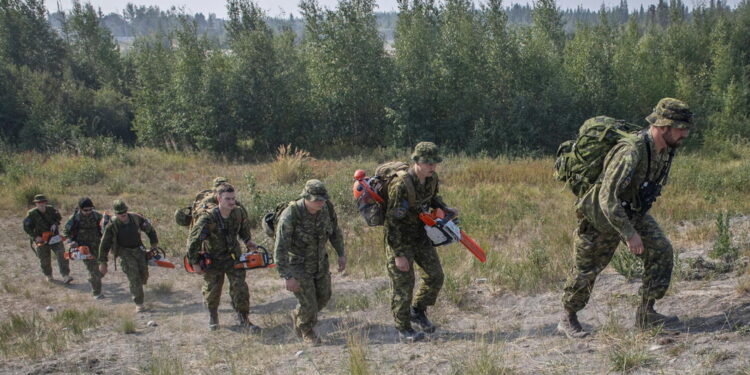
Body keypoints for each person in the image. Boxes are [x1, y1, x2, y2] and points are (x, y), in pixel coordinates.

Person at [558, 98, 693, 338]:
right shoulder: (631, 152)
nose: (685, 134)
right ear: (664, 127)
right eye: (681, 128)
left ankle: (646, 313)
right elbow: (606, 198)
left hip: (632, 211)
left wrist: (634, 224)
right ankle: (568, 318)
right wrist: (629, 234)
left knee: (661, 250)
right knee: (587, 269)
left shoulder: (664, 150)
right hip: (603, 216)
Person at [385, 142, 458, 343]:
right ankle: (403, 327)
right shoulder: (400, 185)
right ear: (416, 161)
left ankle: (418, 310)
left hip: (421, 235)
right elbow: (392, 222)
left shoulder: (432, 179)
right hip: (400, 239)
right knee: (404, 284)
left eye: (434, 162)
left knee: (435, 276)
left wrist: (445, 209)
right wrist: (399, 254)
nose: (431, 166)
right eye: (427, 163)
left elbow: (432, 199)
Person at [274, 179, 346, 345]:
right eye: (317, 200)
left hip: (320, 262)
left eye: (323, 199)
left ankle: (300, 315)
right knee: (309, 304)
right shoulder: (291, 215)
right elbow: (280, 248)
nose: (321, 202)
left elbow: (335, 231)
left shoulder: (327, 208)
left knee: (324, 296)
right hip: (298, 265)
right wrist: (287, 276)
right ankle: (307, 330)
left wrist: (341, 254)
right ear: (306, 197)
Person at [187, 183, 260, 332]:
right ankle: (213, 316)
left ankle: (244, 318)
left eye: (233, 198)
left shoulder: (238, 213)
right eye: (228, 199)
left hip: (234, 257)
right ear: (219, 199)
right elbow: (193, 242)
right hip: (213, 260)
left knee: (240, 288)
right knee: (212, 290)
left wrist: (248, 241)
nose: (232, 202)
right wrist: (194, 262)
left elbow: (244, 230)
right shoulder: (208, 219)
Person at [98, 200, 159, 313]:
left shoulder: (136, 218)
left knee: (143, 275)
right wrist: (103, 262)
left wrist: (154, 246)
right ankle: (139, 303)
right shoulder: (112, 225)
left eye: (124, 211)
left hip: (139, 250)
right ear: (116, 213)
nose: (123, 214)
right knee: (134, 277)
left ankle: (138, 289)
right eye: (120, 213)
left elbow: (150, 230)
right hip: (124, 252)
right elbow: (104, 244)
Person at [62, 197, 107, 299]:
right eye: (85, 210)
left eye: (90, 209)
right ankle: (97, 293)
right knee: (93, 270)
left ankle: (93, 279)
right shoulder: (74, 218)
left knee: (103, 269)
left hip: (98, 246)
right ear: (80, 209)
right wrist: (71, 241)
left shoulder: (97, 216)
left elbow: (106, 228)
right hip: (84, 248)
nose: (88, 212)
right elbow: (65, 232)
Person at [23, 194, 72, 284]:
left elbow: (59, 218)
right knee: (44, 258)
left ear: (45, 202)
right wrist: (35, 237)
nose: (41, 204)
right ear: (36, 204)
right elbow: (26, 227)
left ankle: (65, 275)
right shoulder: (31, 214)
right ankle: (48, 275)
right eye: (39, 202)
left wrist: (55, 223)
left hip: (54, 237)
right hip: (41, 238)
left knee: (61, 254)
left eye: (43, 202)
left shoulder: (51, 210)